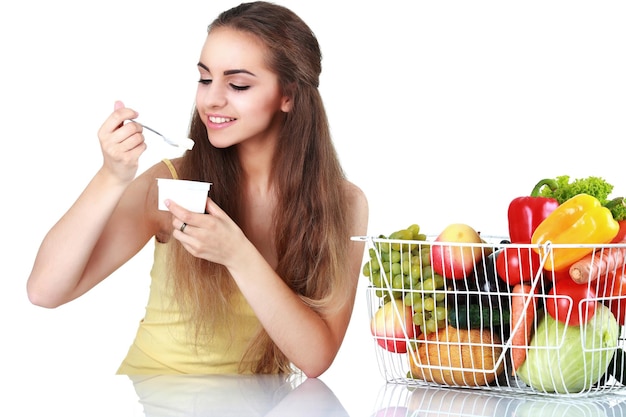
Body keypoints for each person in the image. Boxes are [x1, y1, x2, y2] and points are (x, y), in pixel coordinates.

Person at [26, 1, 368, 377]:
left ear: (288, 95)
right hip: (155, 399)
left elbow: (317, 359)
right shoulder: (172, 183)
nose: (211, 99)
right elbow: (45, 291)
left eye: (237, 84)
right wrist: (112, 176)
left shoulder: (345, 204)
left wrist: (237, 254)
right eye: (205, 79)